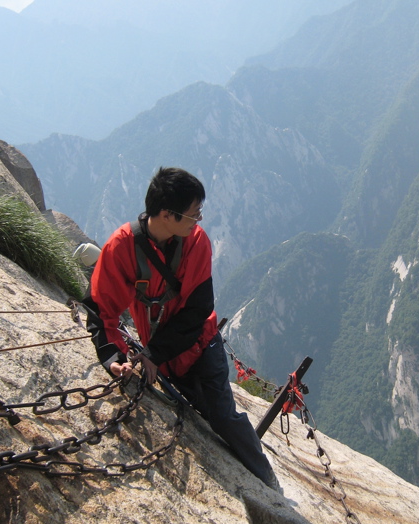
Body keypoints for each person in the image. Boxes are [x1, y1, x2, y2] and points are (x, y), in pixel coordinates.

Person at [82, 167, 279, 490]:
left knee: (222, 416)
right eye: (192, 214)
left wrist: (152, 353)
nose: (198, 221)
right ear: (166, 214)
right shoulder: (122, 248)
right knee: (202, 411)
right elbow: (101, 308)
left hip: (201, 344)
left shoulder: (195, 242)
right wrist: (113, 356)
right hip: (165, 355)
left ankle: (266, 482)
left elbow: (198, 309)